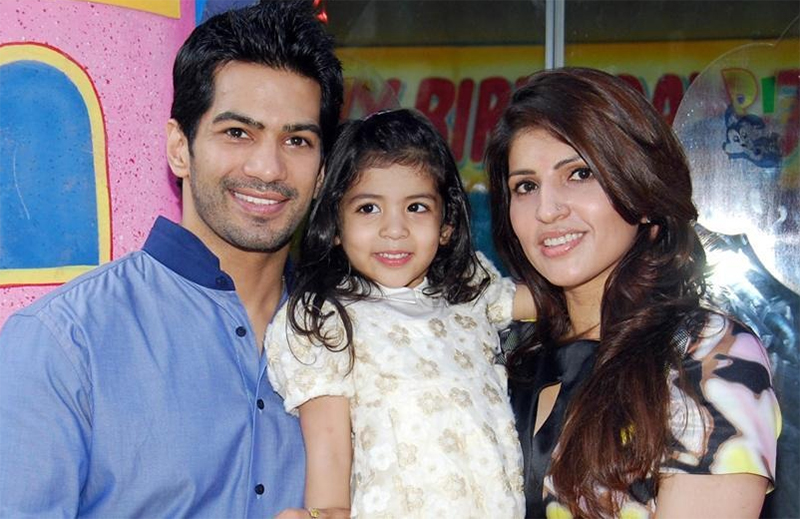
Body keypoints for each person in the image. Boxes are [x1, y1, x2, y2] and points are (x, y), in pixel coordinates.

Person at [0, 2, 347, 518]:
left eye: (297, 140)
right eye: (237, 133)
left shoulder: (352, 338)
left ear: (322, 172)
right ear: (179, 148)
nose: (268, 167)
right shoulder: (64, 343)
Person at [485, 67, 781, 519]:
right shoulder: (504, 356)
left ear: (640, 189)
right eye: (525, 186)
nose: (547, 209)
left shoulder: (705, 354)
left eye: (579, 174)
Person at [265, 108, 535, 518]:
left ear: (446, 224)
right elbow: (328, 448)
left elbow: (561, 302)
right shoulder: (325, 317)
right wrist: (327, 511)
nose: (395, 229)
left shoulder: (467, 289)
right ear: (336, 224)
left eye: (417, 208)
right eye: (369, 208)